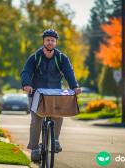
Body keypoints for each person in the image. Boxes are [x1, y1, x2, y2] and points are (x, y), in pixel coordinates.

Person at [20, 29, 81, 161]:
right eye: (47, 40)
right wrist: (26, 84)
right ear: (43, 41)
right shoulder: (35, 57)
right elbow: (26, 71)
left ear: (55, 43)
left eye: (52, 40)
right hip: (36, 93)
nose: (50, 42)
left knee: (59, 115)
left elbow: (69, 73)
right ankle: (35, 149)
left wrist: (74, 87)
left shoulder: (61, 58)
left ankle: (55, 140)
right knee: (36, 120)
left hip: (54, 94)